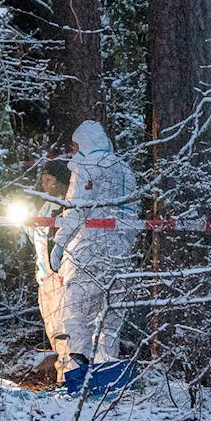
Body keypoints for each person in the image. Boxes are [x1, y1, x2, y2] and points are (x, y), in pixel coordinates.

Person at [51, 121, 139, 382]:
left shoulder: (87, 166)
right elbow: (133, 214)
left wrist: (60, 243)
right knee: (110, 319)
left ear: (84, 142)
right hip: (120, 255)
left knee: (77, 312)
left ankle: (81, 376)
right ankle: (109, 377)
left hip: (90, 251)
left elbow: (76, 210)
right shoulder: (124, 169)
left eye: (76, 145)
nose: (74, 151)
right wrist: (124, 245)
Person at [28, 160, 72, 378]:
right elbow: (38, 238)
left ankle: (68, 377)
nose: (45, 185)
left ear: (61, 182)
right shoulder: (45, 206)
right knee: (53, 328)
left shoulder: (69, 206)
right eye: (43, 180)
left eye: (49, 180)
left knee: (67, 329)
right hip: (45, 276)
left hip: (63, 277)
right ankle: (61, 374)